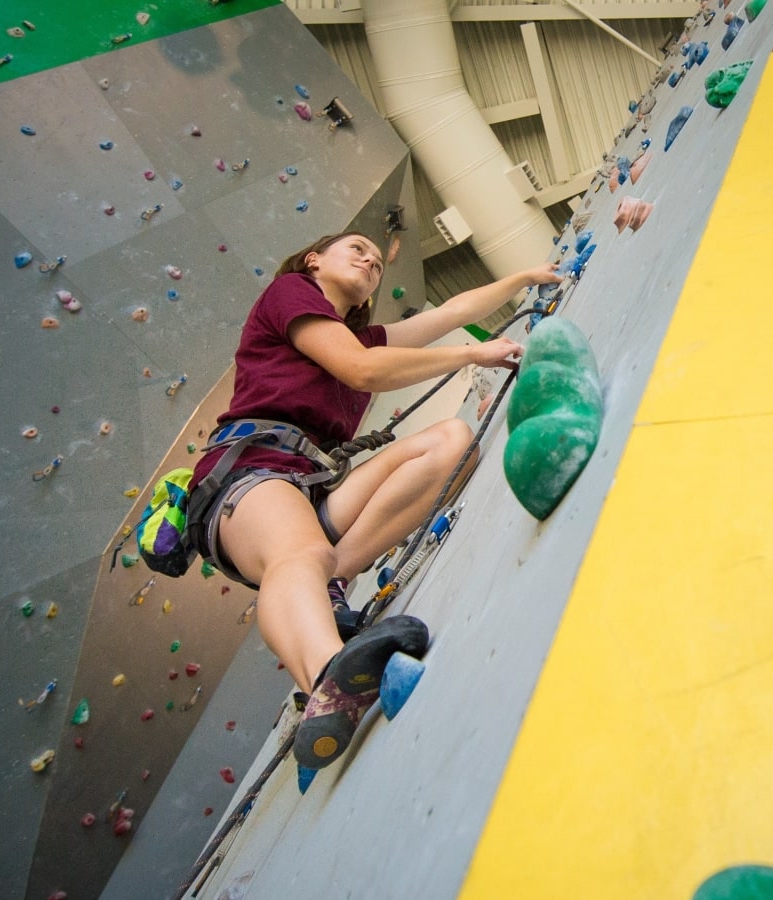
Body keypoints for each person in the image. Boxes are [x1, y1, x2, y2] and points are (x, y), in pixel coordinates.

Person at [191, 230, 561, 769]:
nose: (369, 259)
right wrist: (472, 354)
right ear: (313, 259)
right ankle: (327, 678)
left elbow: (451, 312)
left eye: (375, 262)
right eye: (355, 249)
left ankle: (334, 576)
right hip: (248, 476)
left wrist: (527, 277)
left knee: (451, 445)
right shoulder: (291, 292)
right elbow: (361, 372)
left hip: (310, 485)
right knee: (301, 554)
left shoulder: (363, 338)